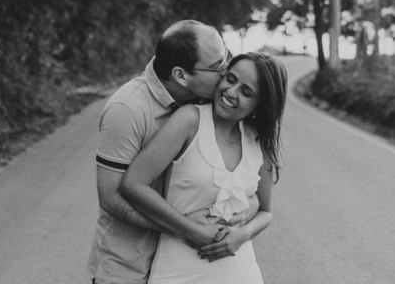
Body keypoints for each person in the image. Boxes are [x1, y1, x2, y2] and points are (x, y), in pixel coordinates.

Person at [88, 20, 237, 284]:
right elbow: (110, 197)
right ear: (181, 76)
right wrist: (186, 230)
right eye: (217, 67)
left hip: (183, 267)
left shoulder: (204, 102)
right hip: (128, 268)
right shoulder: (127, 109)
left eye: (225, 60)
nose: (225, 73)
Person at [119, 53, 288, 284]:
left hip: (239, 270)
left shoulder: (259, 141)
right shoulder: (190, 120)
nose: (231, 92)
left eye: (246, 92)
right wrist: (191, 230)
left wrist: (243, 234)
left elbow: (265, 212)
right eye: (230, 79)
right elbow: (133, 184)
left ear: (261, 104)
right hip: (178, 269)